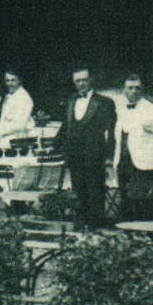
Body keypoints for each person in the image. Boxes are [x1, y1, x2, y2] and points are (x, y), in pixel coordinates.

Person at [55, 67, 117, 229]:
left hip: (94, 156)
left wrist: (109, 155)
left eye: (84, 80)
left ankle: (96, 231)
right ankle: (80, 230)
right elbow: (65, 127)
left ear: (91, 80)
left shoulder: (104, 102)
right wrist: (55, 147)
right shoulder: (70, 100)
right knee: (78, 194)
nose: (81, 84)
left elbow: (112, 131)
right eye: (78, 81)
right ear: (74, 82)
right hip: (74, 156)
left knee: (95, 193)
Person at [115, 74, 153, 222]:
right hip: (123, 164)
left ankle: (149, 240)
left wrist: (150, 151)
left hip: (144, 166)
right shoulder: (120, 109)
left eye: (137, 88)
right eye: (130, 88)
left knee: (145, 206)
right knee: (126, 203)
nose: (134, 91)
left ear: (142, 90)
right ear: (123, 90)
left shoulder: (152, 110)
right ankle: (129, 240)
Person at [0, 70, 36, 147]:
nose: (10, 83)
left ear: (19, 81)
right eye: (7, 80)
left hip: (18, 140)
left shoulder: (23, 97)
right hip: (6, 139)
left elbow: (19, 124)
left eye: (13, 80)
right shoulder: (10, 96)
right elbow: (3, 118)